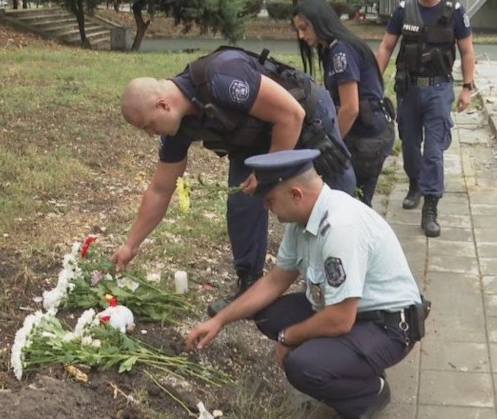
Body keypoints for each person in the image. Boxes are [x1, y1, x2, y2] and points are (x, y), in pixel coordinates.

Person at [114, 47, 357, 316]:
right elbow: (160, 190)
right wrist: (130, 245)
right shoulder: (176, 127)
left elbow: (291, 116)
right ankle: (250, 285)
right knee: (242, 201)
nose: (150, 134)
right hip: (253, 137)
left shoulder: (222, 78)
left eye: (148, 125)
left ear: (163, 105)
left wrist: (267, 176)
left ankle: (350, 289)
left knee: (333, 202)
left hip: (306, 116)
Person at [186, 149, 426, 419]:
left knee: (303, 367)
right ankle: (351, 364)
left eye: (270, 200)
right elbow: (275, 280)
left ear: (296, 195)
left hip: (387, 326)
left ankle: (369, 393)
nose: (266, 208)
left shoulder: (339, 227)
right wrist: (220, 321)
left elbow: (339, 320)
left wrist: (289, 337)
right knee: (270, 317)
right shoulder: (302, 221)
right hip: (353, 312)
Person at [376, 0, 475, 237]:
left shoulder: (455, 12)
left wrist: (467, 88)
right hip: (408, 89)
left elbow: (467, 50)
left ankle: (430, 206)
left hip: (438, 89)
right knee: (409, 143)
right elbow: (386, 46)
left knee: (433, 150)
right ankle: (415, 184)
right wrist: (374, 82)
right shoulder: (403, 10)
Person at [293, 0, 396, 207]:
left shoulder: (341, 51)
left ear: (319, 21)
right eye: (298, 30)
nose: (301, 36)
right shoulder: (334, 48)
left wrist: (329, 145)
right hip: (370, 132)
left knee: (353, 206)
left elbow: (350, 108)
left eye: (304, 28)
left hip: (366, 138)